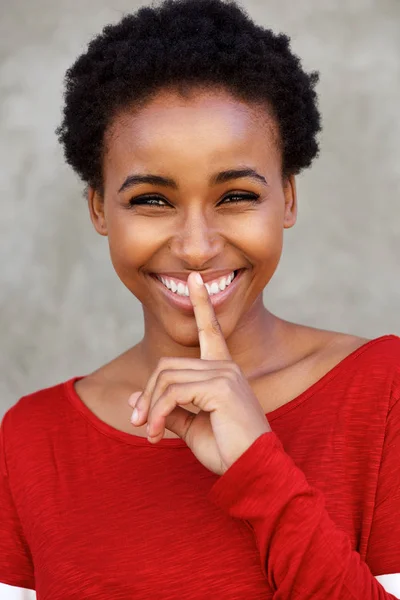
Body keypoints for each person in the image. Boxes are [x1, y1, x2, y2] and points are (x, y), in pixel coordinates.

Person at [1, 0, 399, 598]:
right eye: (151, 201)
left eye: (236, 195)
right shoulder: (32, 440)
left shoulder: (385, 392)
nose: (194, 247)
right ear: (98, 209)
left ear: (287, 200)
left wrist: (257, 465)